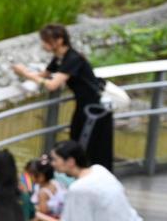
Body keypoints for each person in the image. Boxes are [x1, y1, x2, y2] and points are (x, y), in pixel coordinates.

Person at [12, 24, 113, 170]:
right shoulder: (59, 58)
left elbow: (52, 84)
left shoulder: (73, 58)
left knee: (90, 147)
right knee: (78, 141)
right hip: (84, 108)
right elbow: (43, 76)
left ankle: (89, 176)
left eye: (46, 41)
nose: (43, 44)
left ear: (59, 41)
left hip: (94, 110)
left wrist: (25, 73)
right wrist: (23, 72)